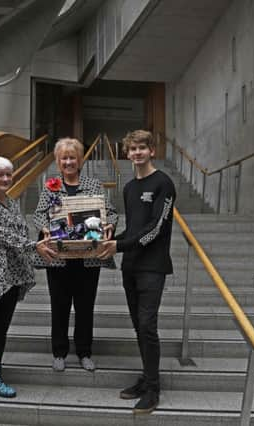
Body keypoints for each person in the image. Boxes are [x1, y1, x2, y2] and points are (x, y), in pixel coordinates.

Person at [0, 155, 57, 414]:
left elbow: (20, 232)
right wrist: (33, 247)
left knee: (0, 331)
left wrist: (37, 241)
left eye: (9, 174)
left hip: (11, 276)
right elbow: (1, 234)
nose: (6, 179)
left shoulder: (12, 202)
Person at [98, 130, 176, 415]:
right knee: (138, 326)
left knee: (147, 325)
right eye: (132, 149)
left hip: (153, 267)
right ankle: (147, 377)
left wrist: (117, 245)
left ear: (151, 151)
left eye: (142, 148)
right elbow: (133, 230)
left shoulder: (163, 184)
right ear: (127, 153)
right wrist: (110, 239)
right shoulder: (130, 187)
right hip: (130, 266)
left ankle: (153, 388)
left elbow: (155, 229)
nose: (137, 153)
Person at [33, 137, 118, 372]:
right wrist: (45, 227)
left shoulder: (93, 185)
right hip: (58, 258)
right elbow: (39, 214)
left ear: (80, 160)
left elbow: (109, 212)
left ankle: (84, 352)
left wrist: (110, 224)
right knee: (59, 306)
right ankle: (59, 352)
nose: (68, 162)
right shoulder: (51, 186)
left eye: (72, 157)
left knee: (85, 306)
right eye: (64, 158)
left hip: (88, 257)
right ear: (58, 162)